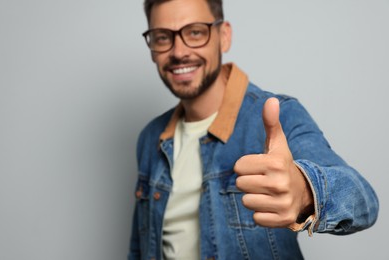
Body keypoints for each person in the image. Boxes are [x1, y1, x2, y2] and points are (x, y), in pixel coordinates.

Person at [129, 0, 379, 259]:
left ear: (223, 36)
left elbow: (364, 202)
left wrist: (305, 192)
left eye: (195, 32)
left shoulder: (277, 115)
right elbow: (139, 248)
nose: (179, 51)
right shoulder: (150, 139)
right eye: (162, 37)